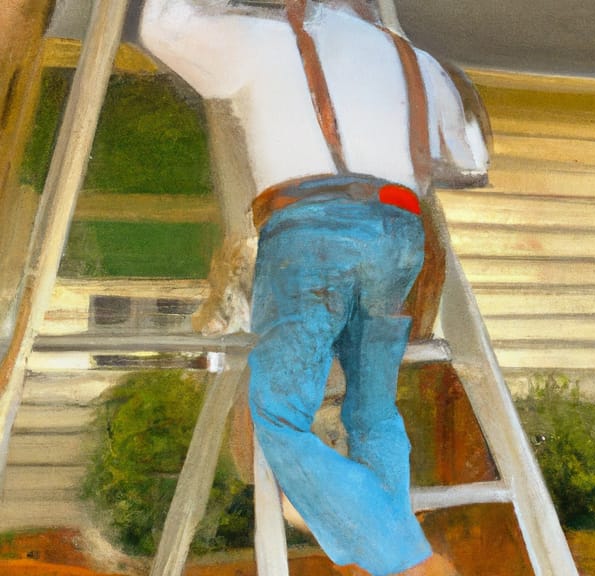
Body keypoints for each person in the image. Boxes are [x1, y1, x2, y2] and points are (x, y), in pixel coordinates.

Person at [139, 0, 489, 574]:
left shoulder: (267, 39)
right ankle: (387, 547)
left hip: (313, 231)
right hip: (400, 233)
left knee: (279, 415)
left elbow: (164, 25)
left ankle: (410, 562)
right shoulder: (417, 61)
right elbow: (468, 156)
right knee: (373, 412)